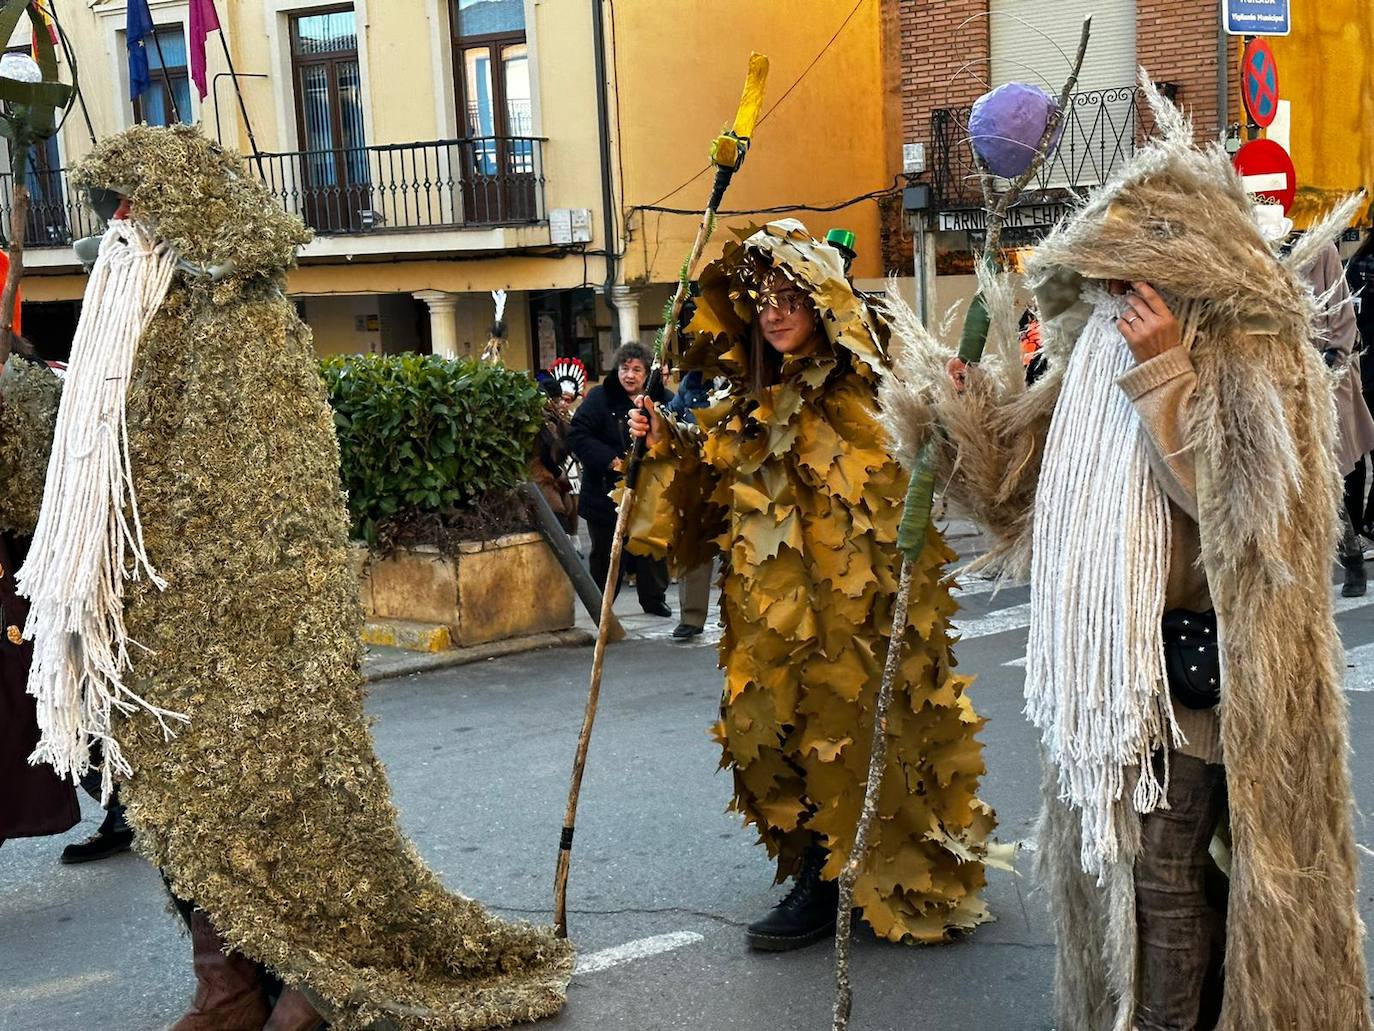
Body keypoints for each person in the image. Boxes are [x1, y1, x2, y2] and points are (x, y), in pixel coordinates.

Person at [884, 82, 1370, 1028]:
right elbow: (1012, 496)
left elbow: (1246, 518)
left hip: (1189, 682)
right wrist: (957, 417)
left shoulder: (1246, 354)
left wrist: (1165, 376)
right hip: (1106, 693)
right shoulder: (1087, 361)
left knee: (1167, 885)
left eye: (1131, 277)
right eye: (1105, 279)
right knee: (1137, 883)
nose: (1114, 296)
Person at [627, 220, 998, 950]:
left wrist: (954, 403)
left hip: (853, 617)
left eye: (790, 294)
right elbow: (706, 488)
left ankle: (850, 875)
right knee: (762, 738)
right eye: (762, 297)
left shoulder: (868, 393)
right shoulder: (746, 405)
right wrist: (662, 440)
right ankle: (815, 864)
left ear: (821, 302)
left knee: (854, 737)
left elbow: (925, 463)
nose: (774, 309)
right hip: (766, 616)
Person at [568, 342, 672, 616]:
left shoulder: (661, 399)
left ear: (646, 373)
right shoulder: (600, 398)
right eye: (625, 368)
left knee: (650, 549)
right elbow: (578, 434)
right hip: (604, 493)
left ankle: (653, 599)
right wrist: (610, 461)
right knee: (606, 553)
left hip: (648, 492)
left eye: (637, 369)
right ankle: (600, 605)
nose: (629, 375)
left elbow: (677, 433)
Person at [1301, 240, 1374, 596]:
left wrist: (1331, 361)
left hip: (1323, 383)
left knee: (1330, 477)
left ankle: (1352, 556)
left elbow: (1343, 317)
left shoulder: (1322, 251)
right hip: (1277, 385)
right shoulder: (1253, 254)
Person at [664, 369, 715, 639]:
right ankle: (692, 618)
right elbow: (671, 415)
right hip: (699, 475)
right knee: (693, 545)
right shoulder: (693, 381)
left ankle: (742, 613)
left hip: (742, 475)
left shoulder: (749, 371)